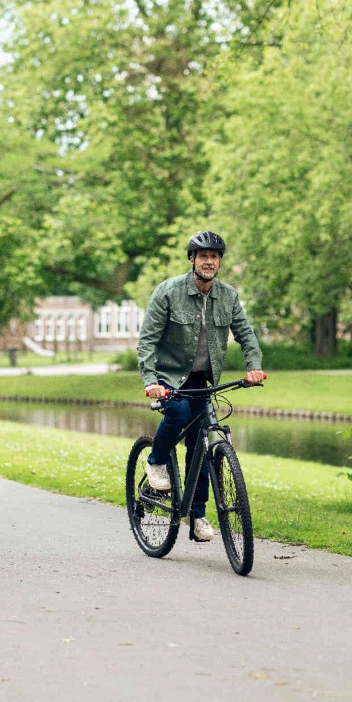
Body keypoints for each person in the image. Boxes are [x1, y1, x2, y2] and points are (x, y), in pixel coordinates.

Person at [137, 230, 265, 542]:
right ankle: (156, 462)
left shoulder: (228, 296)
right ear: (192, 260)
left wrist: (254, 366)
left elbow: (246, 334)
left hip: (202, 379)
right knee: (179, 414)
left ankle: (198, 515)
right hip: (169, 375)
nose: (209, 261)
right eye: (203, 256)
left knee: (203, 444)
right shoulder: (168, 292)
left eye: (214, 257)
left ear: (219, 262)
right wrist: (151, 381)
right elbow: (148, 341)